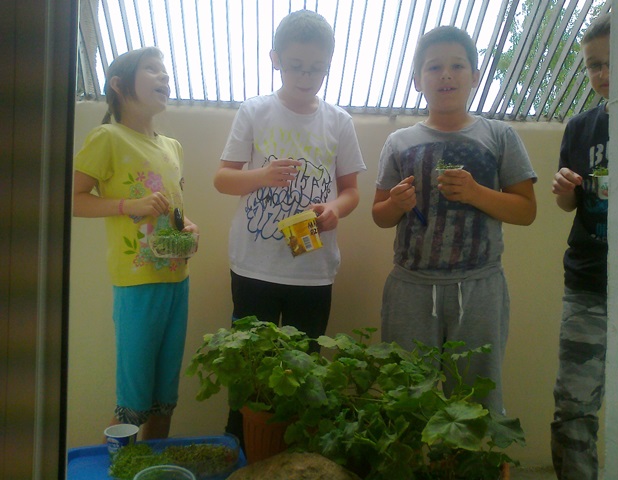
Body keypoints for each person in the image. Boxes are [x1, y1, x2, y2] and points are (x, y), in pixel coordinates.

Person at [214, 9, 366, 442]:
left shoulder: (339, 121)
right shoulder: (255, 111)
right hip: (254, 265)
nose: (306, 76)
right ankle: (240, 448)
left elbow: (351, 191)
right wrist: (262, 175)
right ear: (275, 59)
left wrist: (335, 209)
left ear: (329, 64)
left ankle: (293, 454)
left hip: (312, 268)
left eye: (317, 68)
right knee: (248, 369)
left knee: (303, 369)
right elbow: (222, 179)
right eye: (296, 65)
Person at [372, 26, 537, 414]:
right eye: (434, 67)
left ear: (475, 76)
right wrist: (396, 203)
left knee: (478, 402)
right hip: (410, 287)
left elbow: (526, 211)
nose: (446, 75)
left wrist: (477, 193)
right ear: (417, 80)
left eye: (457, 66)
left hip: (480, 287)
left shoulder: (500, 135)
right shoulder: (398, 142)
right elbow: (379, 216)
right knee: (406, 401)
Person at [73, 47, 199, 440]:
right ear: (118, 84)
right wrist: (129, 205)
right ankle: (116, 466)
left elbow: (171, 211)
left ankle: (153, 466)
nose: (164, 77)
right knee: (133, 402)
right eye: (152, 69)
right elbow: (72, 199)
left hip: (177, 279)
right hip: (137, 284)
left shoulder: (173, 146)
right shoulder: (107, 137)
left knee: (165, 398)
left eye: (165, 70)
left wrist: (187, 226)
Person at [550, 13, 609, 480]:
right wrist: (565, 190)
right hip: (588, 281)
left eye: (611, 62)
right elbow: (568, 205)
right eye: (593, 65)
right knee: (572, 407)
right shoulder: (580, 127)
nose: (602, 73)